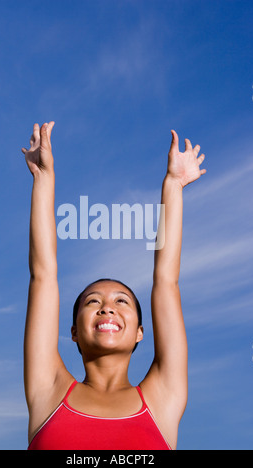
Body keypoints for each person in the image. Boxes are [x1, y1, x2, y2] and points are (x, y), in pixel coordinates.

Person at [21, 122, 206, 450]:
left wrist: (174, 186)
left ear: (140, 331)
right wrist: (43, 178)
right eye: (92, 302)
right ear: (74, 331)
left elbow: (166, 281)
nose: (107, 306)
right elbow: (43, 275)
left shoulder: (162, 396)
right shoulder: (47, 388)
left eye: (122, 301)